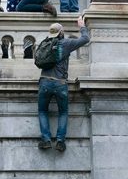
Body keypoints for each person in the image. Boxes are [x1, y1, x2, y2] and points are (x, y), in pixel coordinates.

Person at [37, 17, 90, 152]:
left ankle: (46, 139)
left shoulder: (44, 43)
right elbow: (85, 39)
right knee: (63, 112)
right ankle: (60, 141)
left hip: (44, 81)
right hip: (60, 83)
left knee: (43, 111)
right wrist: (82, 26)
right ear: (61, 33)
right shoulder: (66, 43)